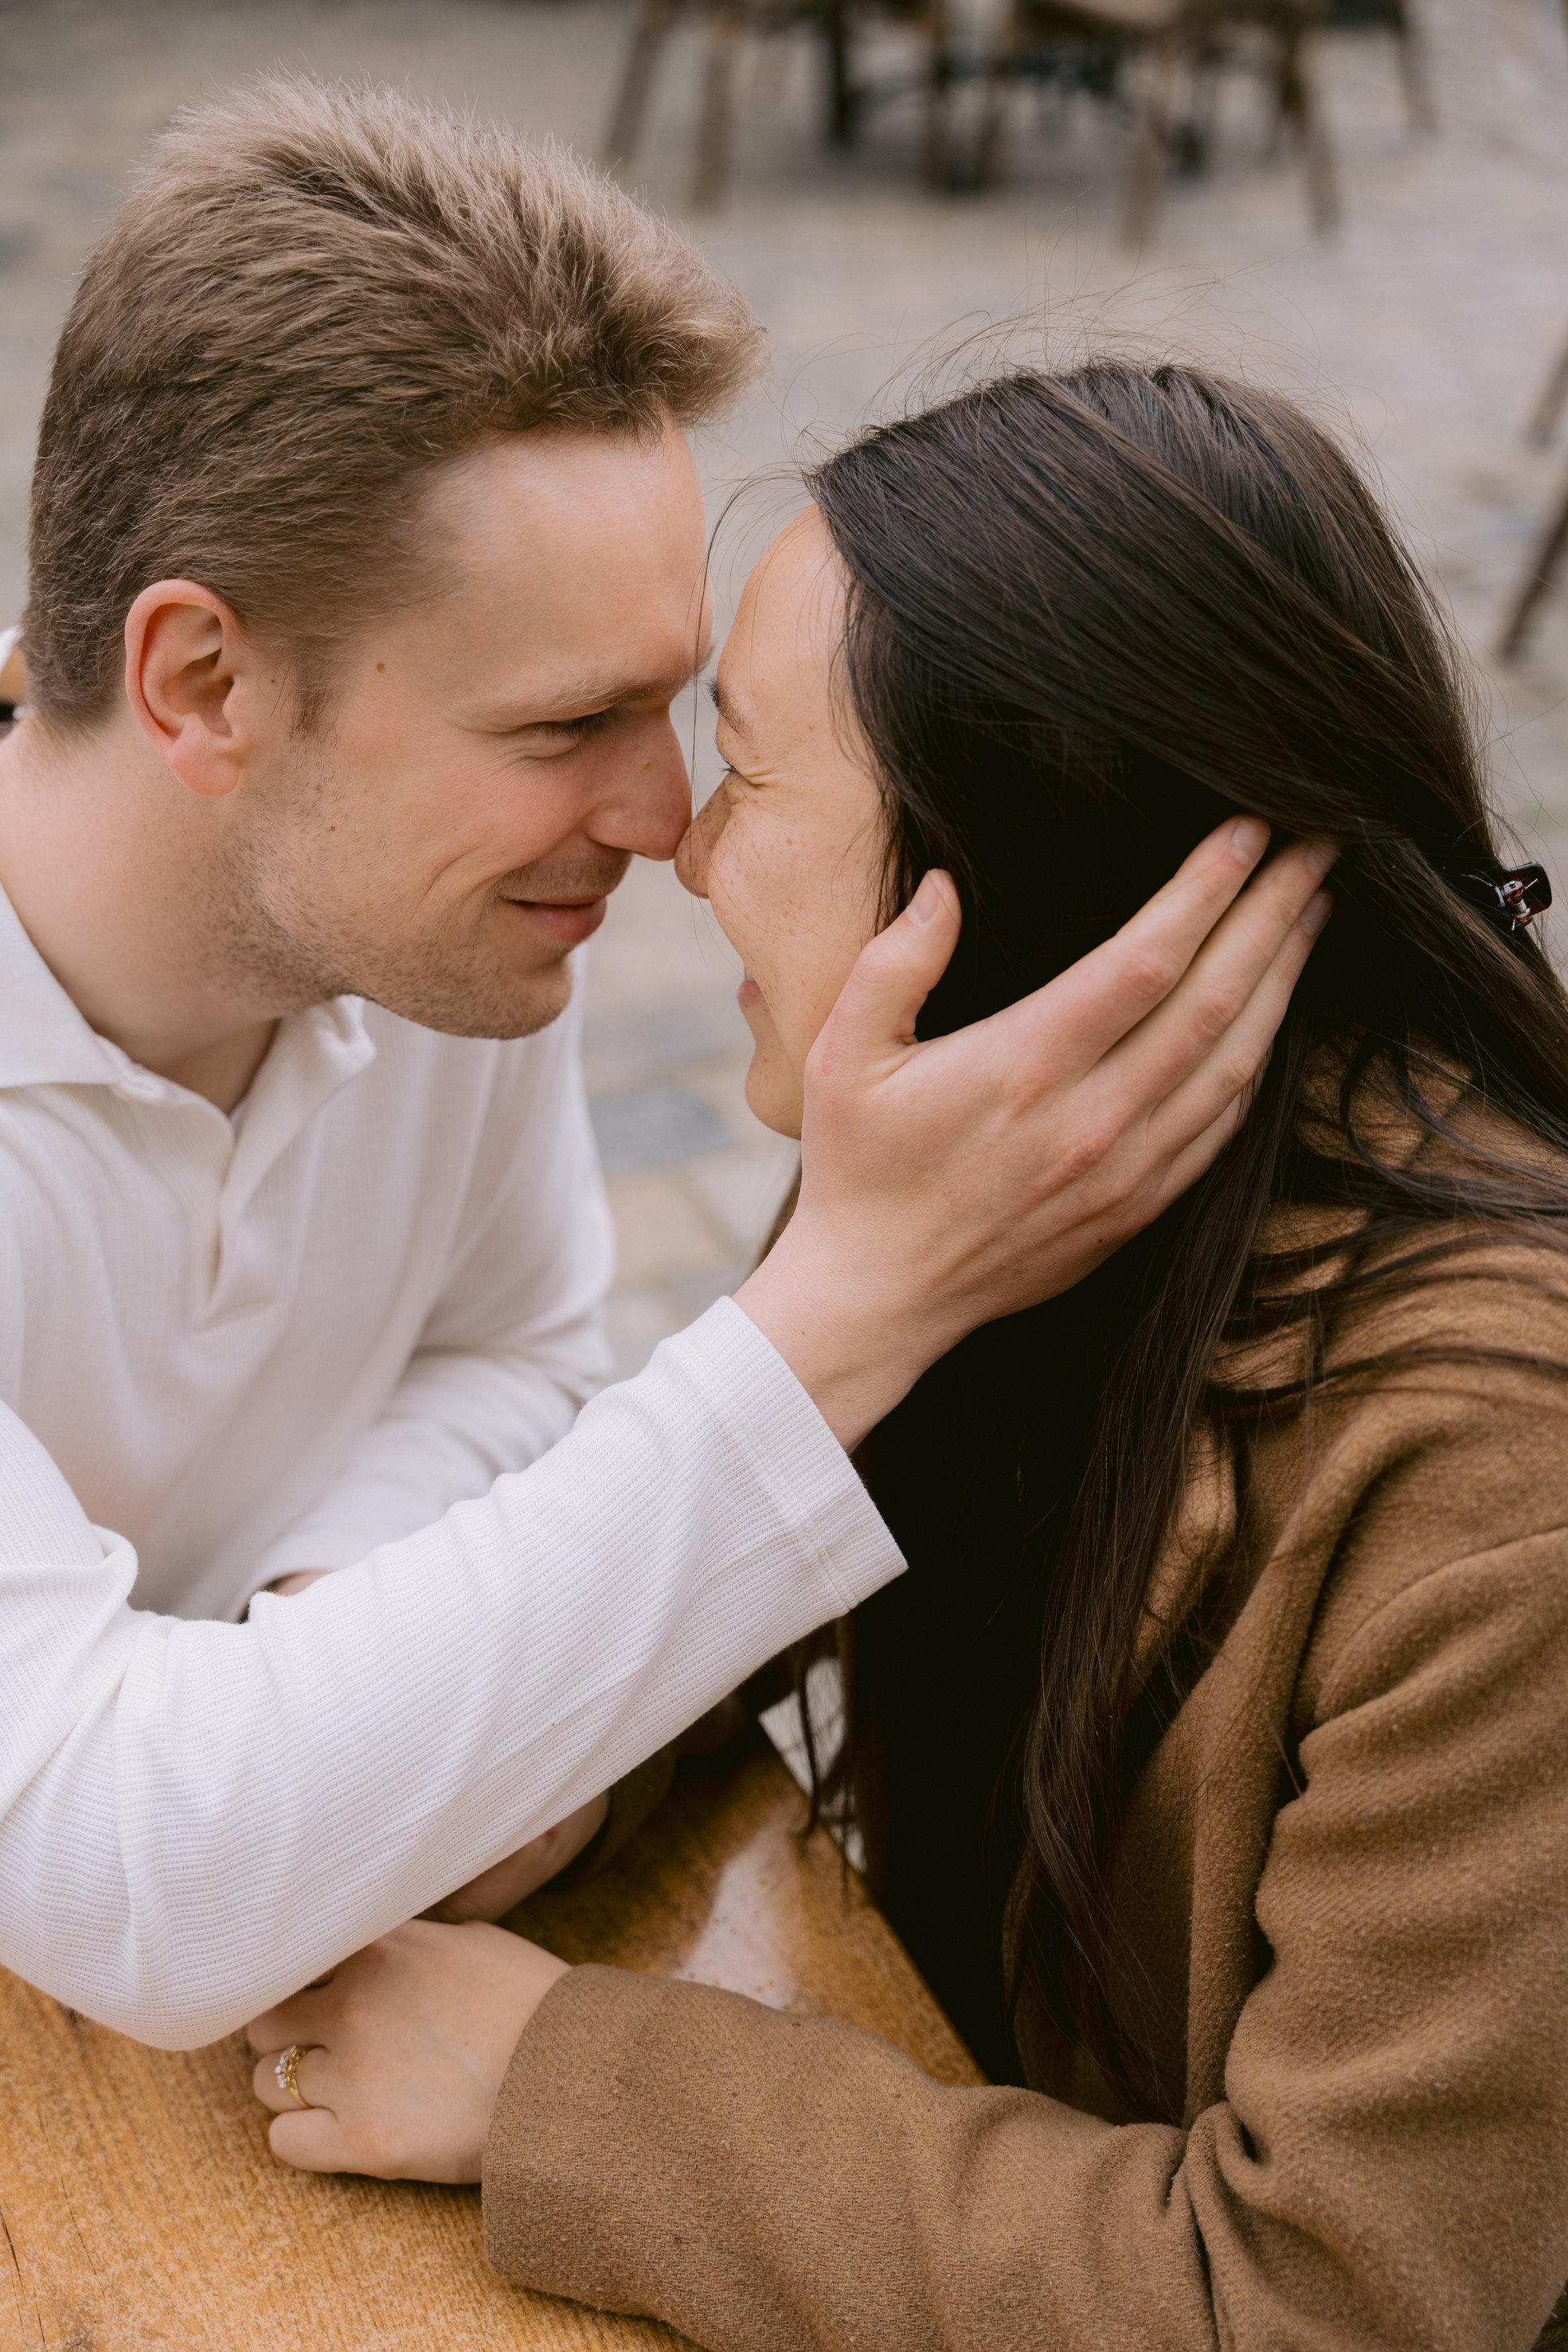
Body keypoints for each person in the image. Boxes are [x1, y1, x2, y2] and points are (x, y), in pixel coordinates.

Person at [252, 363, 1568, 2352]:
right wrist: (504, 1749)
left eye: (754, 770)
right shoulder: (1007, 1164)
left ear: (1019, 873)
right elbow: (727, 1561)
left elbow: (1324, 2303)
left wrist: (559, 2088)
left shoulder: (1498, 1494)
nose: (682, 848)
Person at [0, 84, 1319, 2049]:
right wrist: (858, 1294)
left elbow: (513, 1348)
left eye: (673, 701)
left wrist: (340, 1642)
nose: (661, 818)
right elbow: (144, 1884)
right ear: (201, 681)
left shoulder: (431, 928)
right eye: (566, 724)